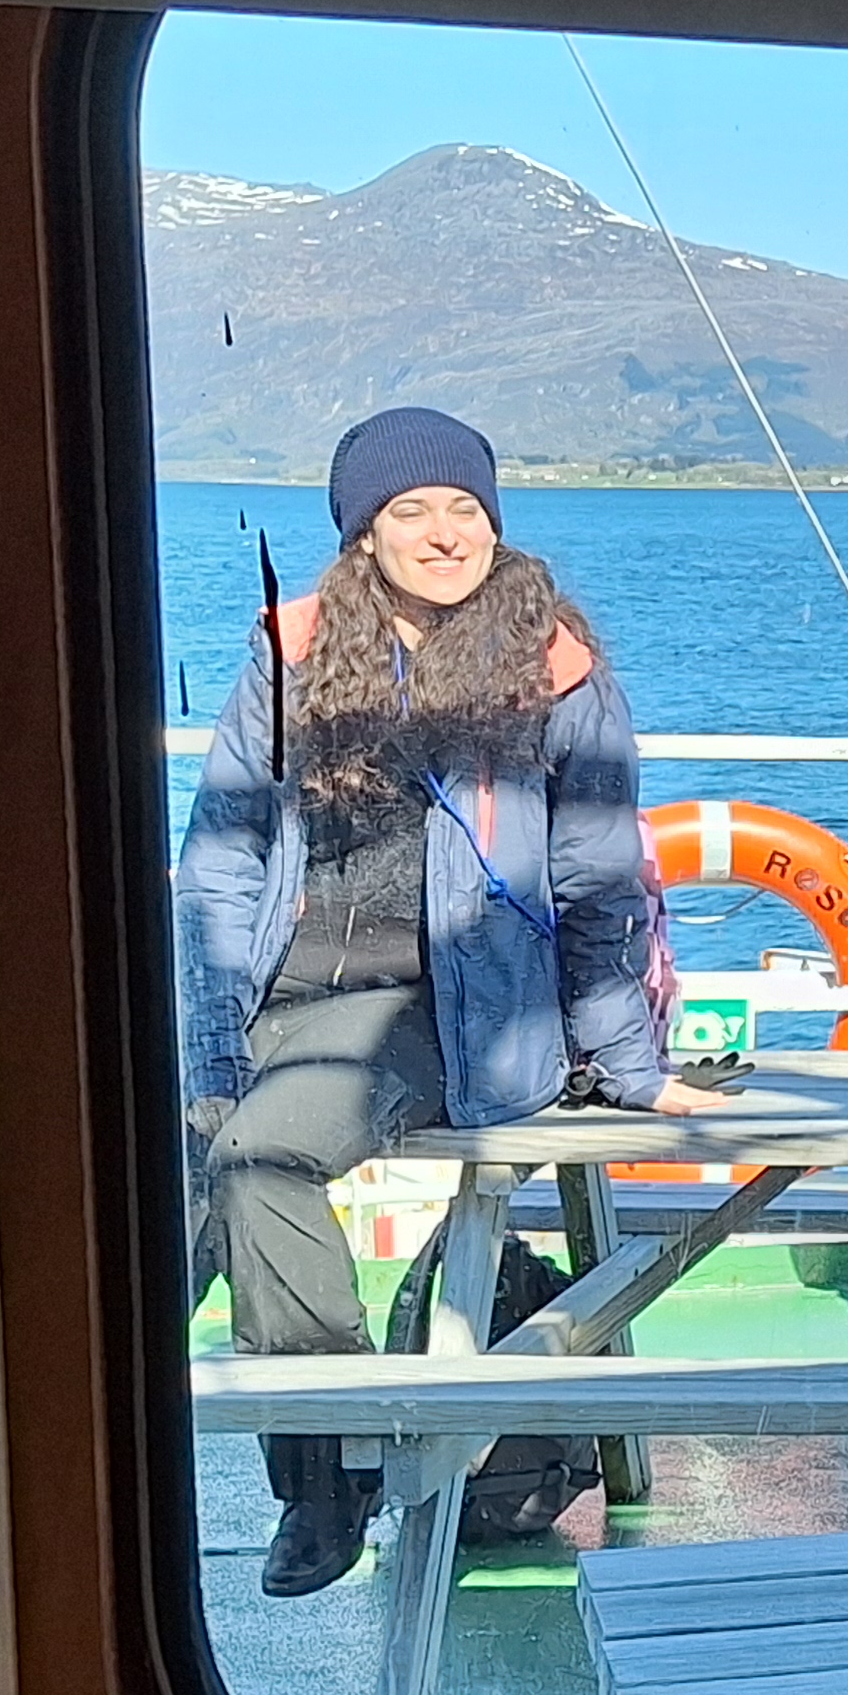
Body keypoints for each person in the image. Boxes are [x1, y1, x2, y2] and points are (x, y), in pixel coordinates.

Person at [176, 407, 724, 1598]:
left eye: (465, 510)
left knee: (261, 1159)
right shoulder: (293, 653)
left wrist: (626, 1063)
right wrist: (209, 1048)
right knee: (143, 1204)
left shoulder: (554, 666)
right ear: (363, 535)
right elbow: (219, 859)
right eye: (411, 511)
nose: (442, 534)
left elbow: (595, 874)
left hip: (440, 1009)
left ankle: (325, 1476)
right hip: (279, 992)